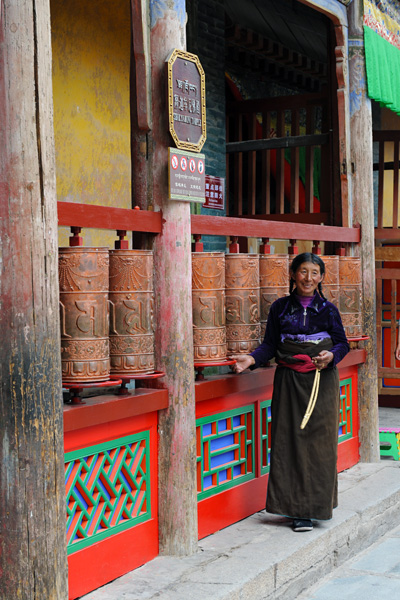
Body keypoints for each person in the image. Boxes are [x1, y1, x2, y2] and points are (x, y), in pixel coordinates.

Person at [230, 252, 349, 532]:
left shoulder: (329, 310)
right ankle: (295, 510)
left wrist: (331, 356)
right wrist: (252, 359)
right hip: (289, 381)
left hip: (321, 382)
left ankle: (315, 507)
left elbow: (342, 344)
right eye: (303, 271)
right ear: (293, 274)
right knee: (289, 443)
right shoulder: (280, 308)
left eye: (315, 273)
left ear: (321, 277)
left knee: (318, 445)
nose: (309, 278)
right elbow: (270, 345)